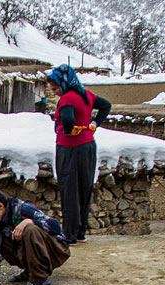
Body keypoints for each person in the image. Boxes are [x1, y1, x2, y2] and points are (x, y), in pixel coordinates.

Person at [47, 64, 112, 244]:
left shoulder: (67, 99)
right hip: (88, 146)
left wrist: (68, 130)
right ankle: (81, 232)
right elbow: (106, 106)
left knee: (70, 190)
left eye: (55, 88)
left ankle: (69, 235)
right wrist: (95, 123)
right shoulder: (86, 94)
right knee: (85, 188)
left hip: (69, 149)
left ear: (64, 83)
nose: (54, 92)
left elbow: (67, 119)